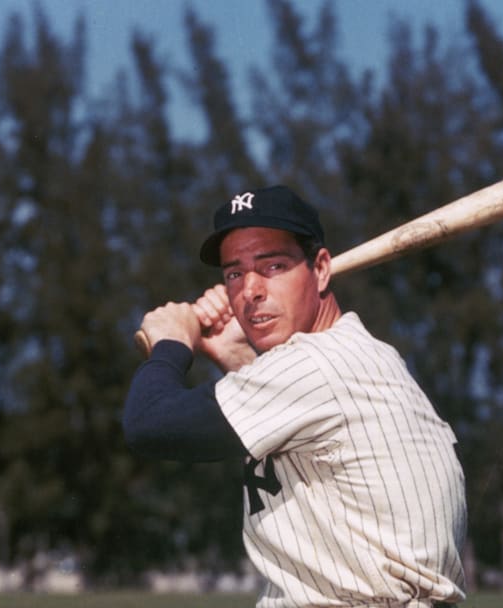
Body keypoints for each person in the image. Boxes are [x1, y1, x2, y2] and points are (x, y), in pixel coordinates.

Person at [123, 185, 467, 607]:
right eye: (234, 273)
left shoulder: (317, 365)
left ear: (321, 269)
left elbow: (151, 423)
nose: (250, 290)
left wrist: (171, 343)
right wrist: (236, 357)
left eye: (274, 266)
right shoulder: (356, 356)